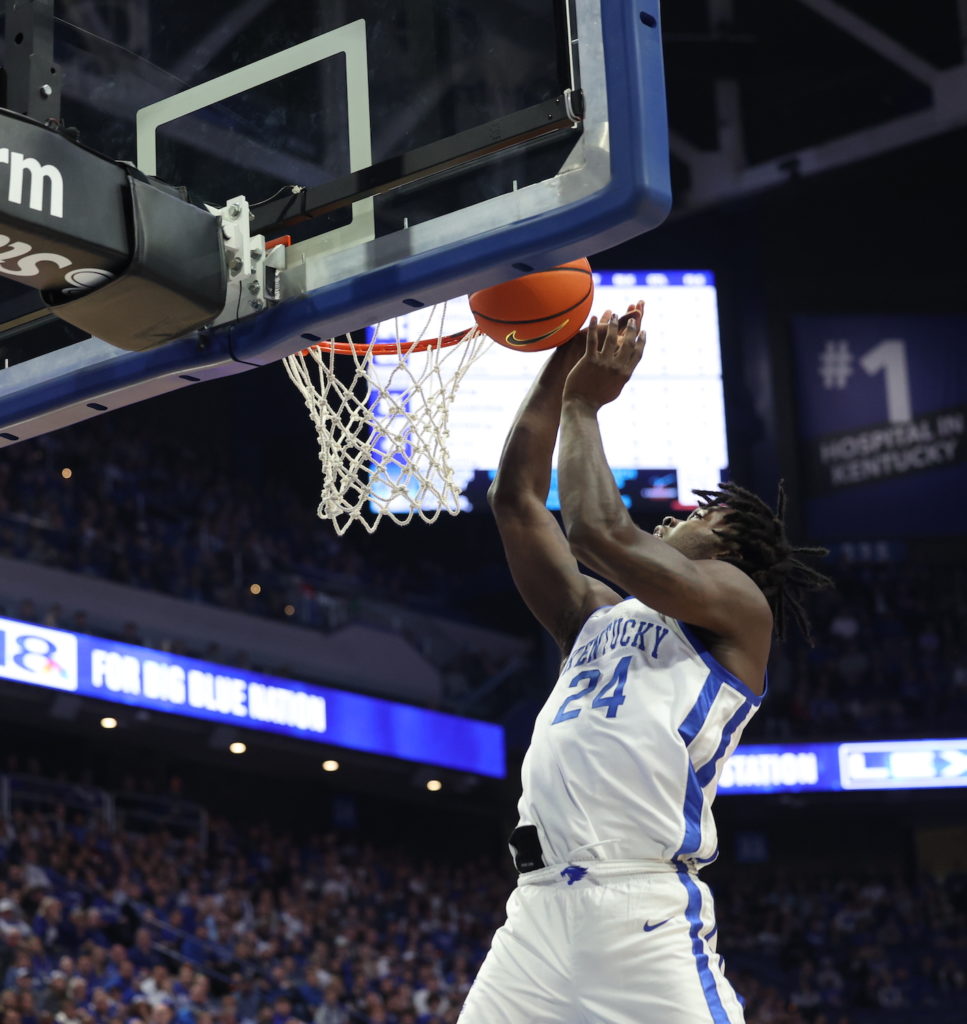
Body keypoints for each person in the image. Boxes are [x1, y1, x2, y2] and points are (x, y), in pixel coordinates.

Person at [461, 305, 831, 1024]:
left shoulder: (737, 608)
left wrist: (584, 403)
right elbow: (515, 501)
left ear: (731, 550)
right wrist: (562, 361)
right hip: (535, 911)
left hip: (640, 909)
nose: (677, 517)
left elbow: (597, 531)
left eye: (699, 517)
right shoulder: (592, 613)